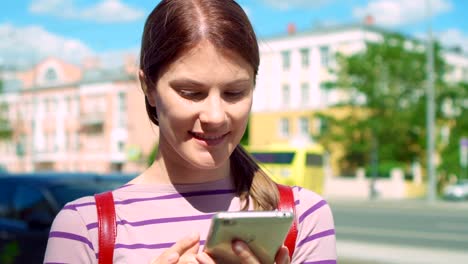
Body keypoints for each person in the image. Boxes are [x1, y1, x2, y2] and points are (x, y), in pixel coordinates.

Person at [44, 0, 337, 263]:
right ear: (148, 88)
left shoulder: (302, 217)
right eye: (191, 92)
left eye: (234, 92)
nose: (215, 116)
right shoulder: (86, 227)